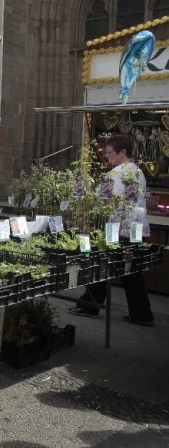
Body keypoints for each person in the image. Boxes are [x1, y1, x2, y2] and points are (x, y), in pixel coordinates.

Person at [70, 136, 154, 325]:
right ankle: (142, 314)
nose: (107, 157)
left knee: (102, 265)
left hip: (116, 228)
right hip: (135, 227)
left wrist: (85, 198)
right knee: (131, 271)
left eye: (109, 153)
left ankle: (89, 306)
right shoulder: (137, 172)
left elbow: (106, 202)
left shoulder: (115, 174)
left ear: (122, 152)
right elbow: (130, 202)